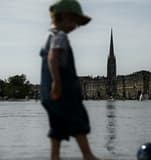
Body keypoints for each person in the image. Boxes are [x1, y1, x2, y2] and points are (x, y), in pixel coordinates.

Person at [39, 0, 100, 159]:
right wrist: (57, 83)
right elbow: (53, 58)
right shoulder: (60, 37)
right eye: (75, 21)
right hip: (64, 92)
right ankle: (88, 155)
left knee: (57, 129)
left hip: (47, 96)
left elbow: (48, 58)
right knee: (79, 120)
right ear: (64, 16)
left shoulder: (47, 36)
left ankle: (55, 157)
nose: (75, 27)